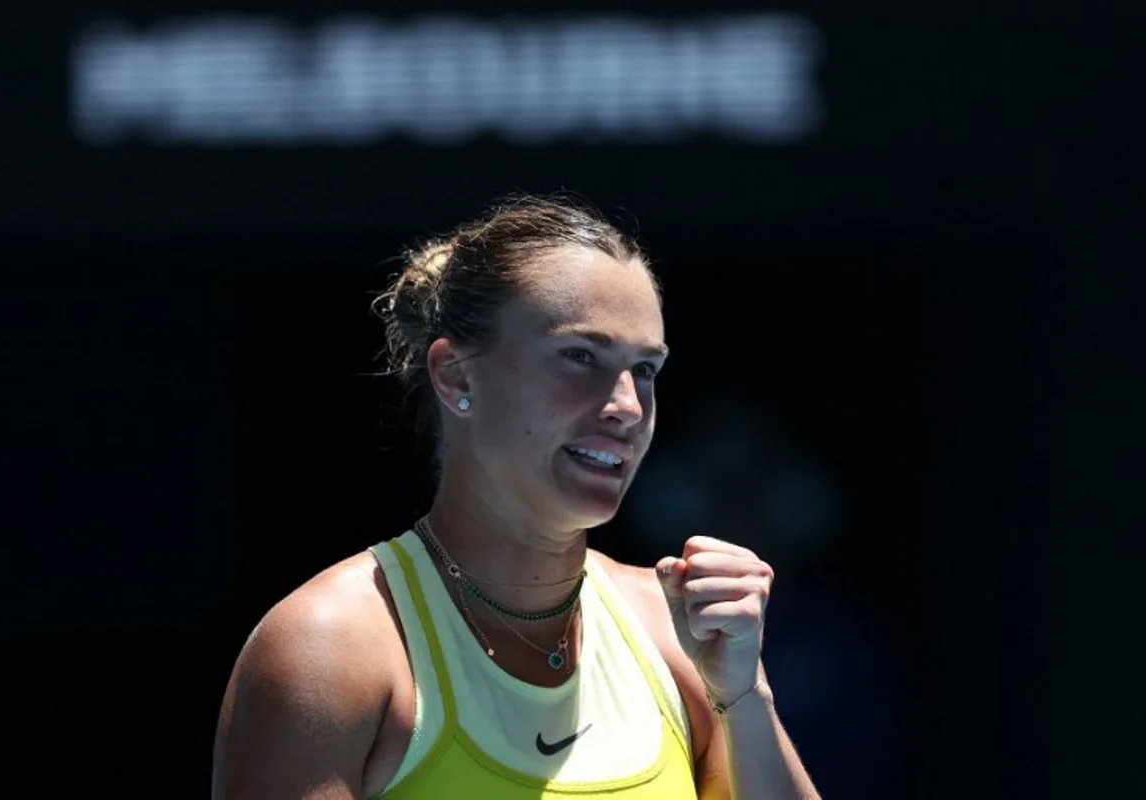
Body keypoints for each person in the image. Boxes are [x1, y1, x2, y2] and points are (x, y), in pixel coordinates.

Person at [211, 194, 820, 799]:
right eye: (581, 357)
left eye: (644, 370)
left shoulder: (674, 631)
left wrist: (742, 696)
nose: (629, 409)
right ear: (457, 375)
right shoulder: (329, 647)